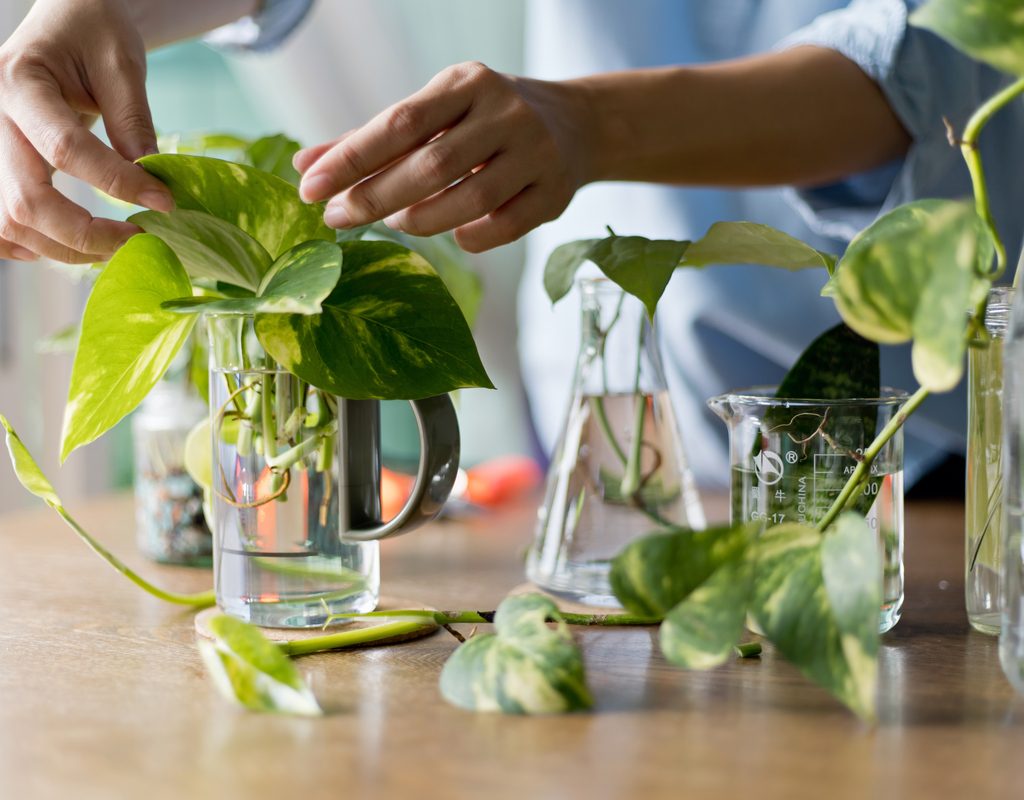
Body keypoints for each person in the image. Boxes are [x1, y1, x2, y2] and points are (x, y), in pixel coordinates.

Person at [1, 0, 1018, 485]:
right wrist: (91, 17)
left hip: (919, 443)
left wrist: (594, 125)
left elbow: (946, 58)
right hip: (616, 427)